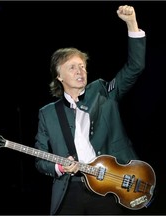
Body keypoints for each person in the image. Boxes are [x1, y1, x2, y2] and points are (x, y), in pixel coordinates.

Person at [34, 4, 146, 215]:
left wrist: (132, 23)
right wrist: (58, 167)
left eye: (82, 66)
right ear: (59, 76)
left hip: (106, 187)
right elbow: (40, 160)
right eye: (72, 67)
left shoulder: (103, 92)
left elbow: (135, 67)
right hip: (69, 189)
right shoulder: (47, 113)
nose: (80, 71)